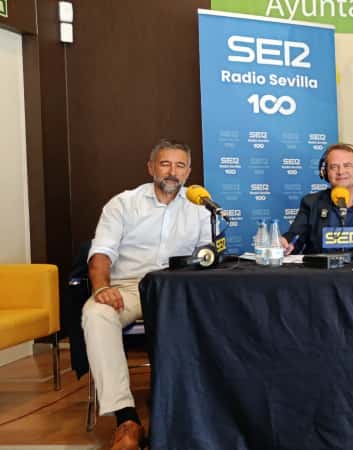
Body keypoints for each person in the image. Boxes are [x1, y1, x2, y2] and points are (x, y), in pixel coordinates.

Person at [82, 139, 212, 450]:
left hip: (177, 289)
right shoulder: (123, 204)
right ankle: (127, 420)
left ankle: (195, 413)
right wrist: (101, 287)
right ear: (151, 168)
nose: (172, 171)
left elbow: (208, 256)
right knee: (96, 314)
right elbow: (101, 253)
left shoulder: (200, 209)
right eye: (165, 164)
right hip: (129, 287)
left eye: (180, 165)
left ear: (188, 172)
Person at [280, 143, 353, 255]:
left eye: (347, 165)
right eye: (334, 167)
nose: (341, 172)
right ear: (325, 173)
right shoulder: (311, 203)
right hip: (320, 273)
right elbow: (295, 237)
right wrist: (286, 243)